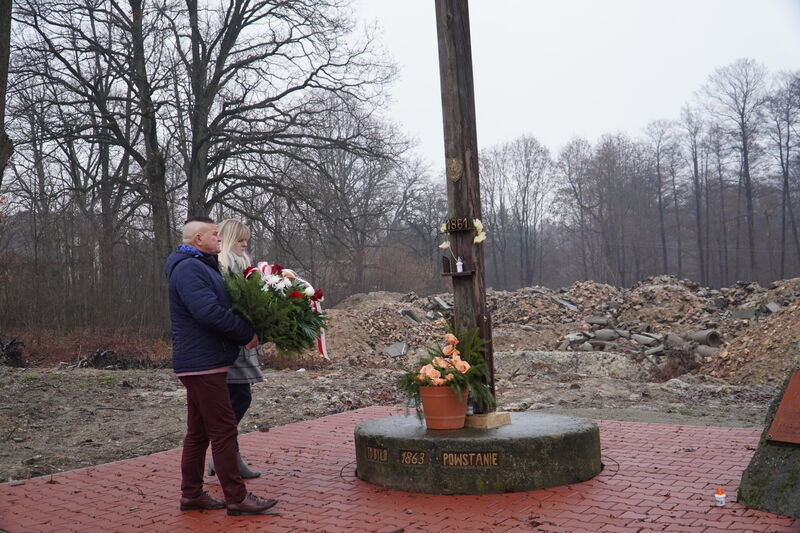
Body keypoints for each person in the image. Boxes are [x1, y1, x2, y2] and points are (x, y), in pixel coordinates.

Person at [165, 216, 277, 515]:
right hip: (203, 362)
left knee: (199, 433)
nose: (220, 238)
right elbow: (209, 312)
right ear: (198, 239)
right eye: (214, 234)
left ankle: (191, 496)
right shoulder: (190, 269)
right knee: (223, 431)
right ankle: (237, 498)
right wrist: (246, 334)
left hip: (203, 361)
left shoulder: (200, 266)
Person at [207, 219, 264, 479]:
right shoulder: (223, 269)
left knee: (236, 400)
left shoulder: (241, 268)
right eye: (240, 239)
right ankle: (224, 458)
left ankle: (226, 457)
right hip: (230, 345)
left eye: (246, 239)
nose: (245, 243)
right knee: (236, 401)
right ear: (229, 240)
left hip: (240, 343)